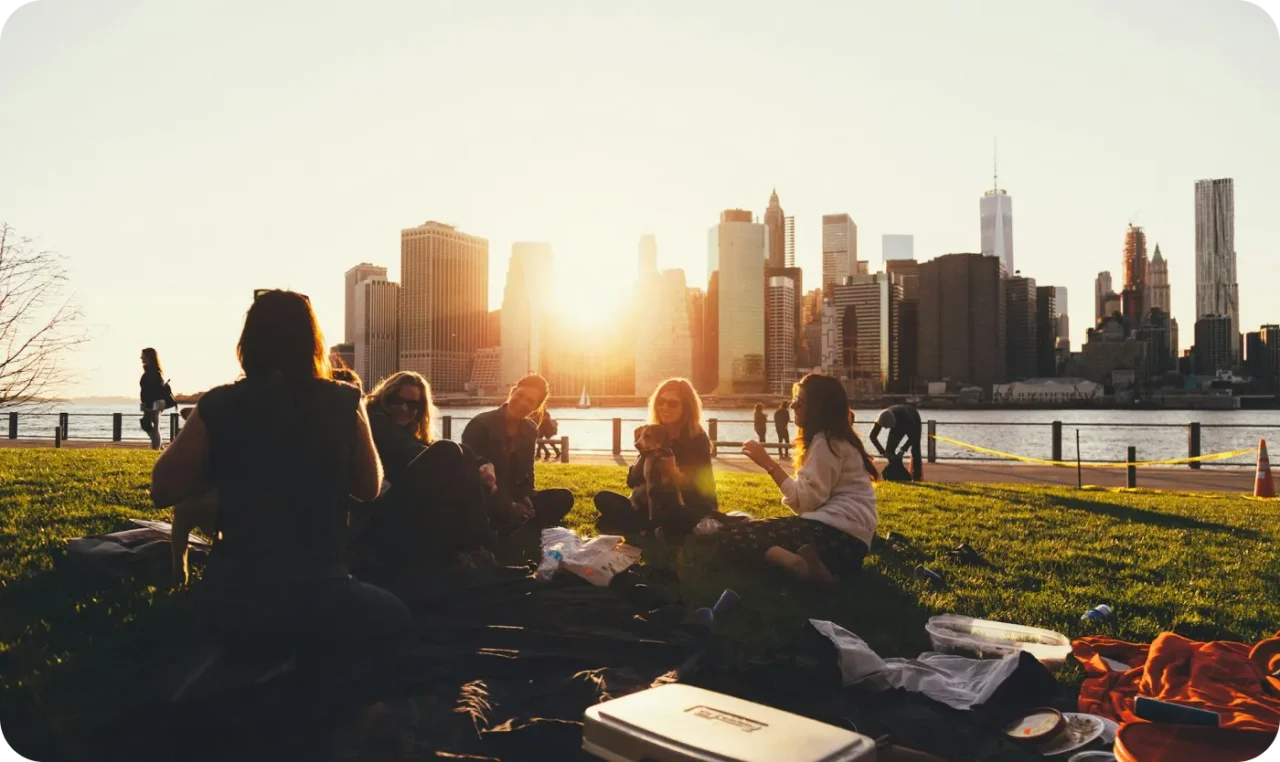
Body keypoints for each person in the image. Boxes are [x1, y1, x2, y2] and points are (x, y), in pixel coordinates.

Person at [149, 289, 410, 658]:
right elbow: (369, 488)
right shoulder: (345, 399)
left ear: (248, 343)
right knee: (396, 616)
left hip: (233, 600)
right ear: (313, 342)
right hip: (321, 594)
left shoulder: (218, 403)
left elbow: (162, 489)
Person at [733, 373, 880, 587]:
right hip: (853, 548)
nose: (792, 406)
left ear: (819, 407)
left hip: (832, 535)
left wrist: (768, 463)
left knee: (737, 534)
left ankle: (797, 565)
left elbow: (805, 502)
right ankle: (812, 566)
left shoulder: (826, 443)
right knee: (753, 530)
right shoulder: (839, 441)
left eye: (800, 402)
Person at [355, 371, 496, 575]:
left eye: (413, 405)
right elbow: (411, 451)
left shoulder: (406, 431)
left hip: (403, 508)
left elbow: (422, 448)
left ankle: (474, 546)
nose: (404, 409)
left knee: (462, 453)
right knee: (449, 451)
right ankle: (477, 547)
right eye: (397, 401)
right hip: (377, 513)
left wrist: (485, 464)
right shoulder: (376, 423)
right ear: (385, 398)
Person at [593, 378, 719, 536]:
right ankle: (647, 526)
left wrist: (672, 472)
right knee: (603, 498)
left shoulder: (697, 439)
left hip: (687, 505)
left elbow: (700, 488)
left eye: (673, 403)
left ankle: (641, 526)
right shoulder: (651, 434)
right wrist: (640, 462)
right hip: (651, 502)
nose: (664, 407)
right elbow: (632, 482)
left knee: (674, 514)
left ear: (686, 407)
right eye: (661, 401)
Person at [461, 374, 574, 530]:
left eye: (530, 401)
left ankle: (518, 519)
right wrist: (508, 506)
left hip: (513, 493)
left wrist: (526, 496)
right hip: (484, 495)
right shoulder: (480, 424)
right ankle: (510, 520)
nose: (521, 402)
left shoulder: (530, 429)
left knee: (563, 497)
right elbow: (473, 476)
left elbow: (527, 471)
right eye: (520, 395)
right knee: (481, 507)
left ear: (536, 407)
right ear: (512, 391)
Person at [869, 403, 923, 481]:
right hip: (896, 421)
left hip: (913, 417)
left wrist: (903, 449)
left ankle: (917, 477)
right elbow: (872, 436)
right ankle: (897, 473)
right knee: (889, 451)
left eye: (888, 427)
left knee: (915, 448)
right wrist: (883, 452)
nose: (886, 429)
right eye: (885, 427)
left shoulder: (906, 419)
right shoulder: (881, 418)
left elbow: (914, 436)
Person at [139, 348, 168, 450]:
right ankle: (159, 445)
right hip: (148, 402)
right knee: (147, 424)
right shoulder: (150, 371)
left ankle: (156, 446)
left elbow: (154, 390)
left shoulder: (153, 372)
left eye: (143, 355)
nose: (141, 357)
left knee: (153, 425)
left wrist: (149, 405)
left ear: (149, 357)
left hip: (153, 402)